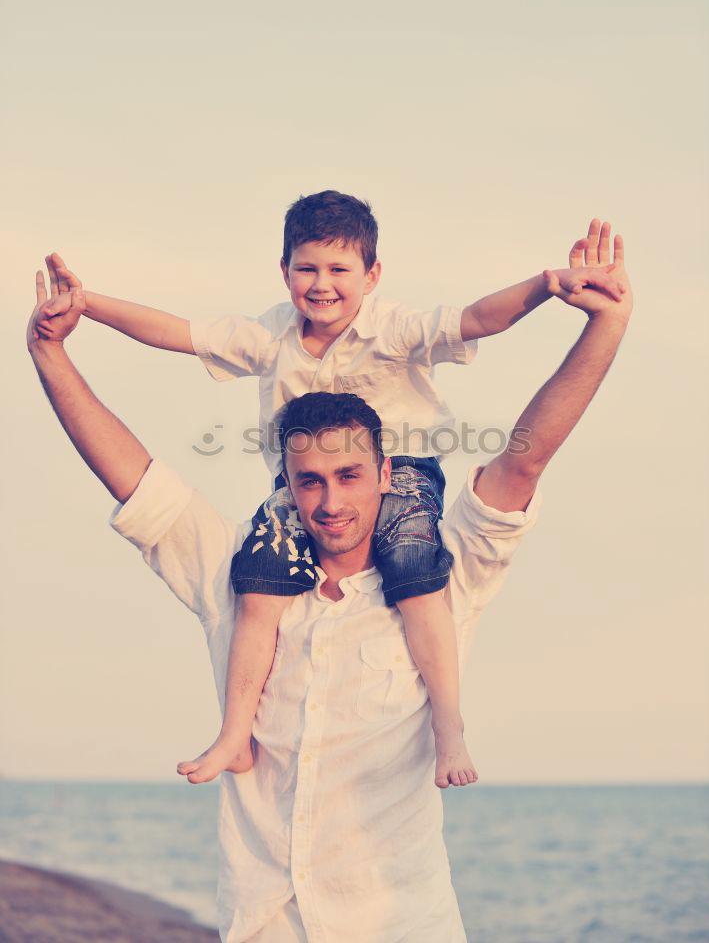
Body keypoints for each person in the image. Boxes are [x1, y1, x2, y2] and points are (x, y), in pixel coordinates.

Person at [28, 222, 632, 941]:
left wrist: (603, 326)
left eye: (349, 476)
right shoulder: (244, 578)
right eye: (308, 481)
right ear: (283, 482)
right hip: (265, 925)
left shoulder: (443, 577)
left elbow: (525, 458)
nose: (329, 502)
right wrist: (50, 350)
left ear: (385, 475)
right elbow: (133, 477)